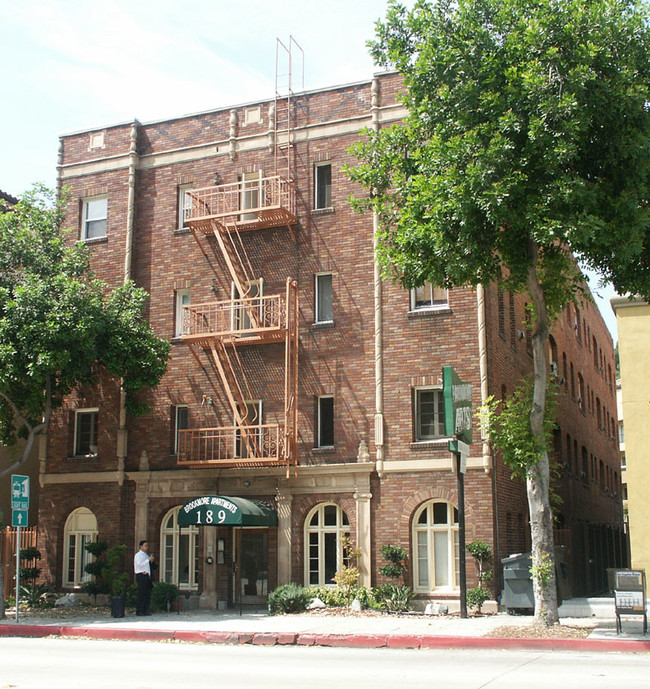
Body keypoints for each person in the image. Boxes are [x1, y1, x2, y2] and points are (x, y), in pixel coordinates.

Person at [134, 540, 154, 616]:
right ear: (141, 546)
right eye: (145, 546)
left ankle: (145, 610)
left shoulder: (146, 555)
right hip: (141, 575)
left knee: (147, 594)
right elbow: (139, 565)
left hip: (147, 576)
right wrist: (147, 560)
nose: (147, 547)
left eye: (147, 546)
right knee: (141, 594)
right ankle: (139, 610)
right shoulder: (138, 555)